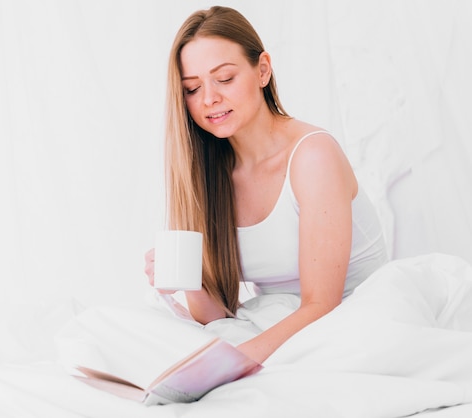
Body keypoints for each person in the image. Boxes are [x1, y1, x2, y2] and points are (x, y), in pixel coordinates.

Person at [144, 6, 389, 364]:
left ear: (262, 70)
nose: (209, 98)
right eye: (192, 88)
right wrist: (188, 277)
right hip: (277, 322)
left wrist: (231, 365)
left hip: (352, 323)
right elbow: (216, 319)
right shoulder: (207, 172)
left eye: (224, 79)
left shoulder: (312, 156)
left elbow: (323, 306)